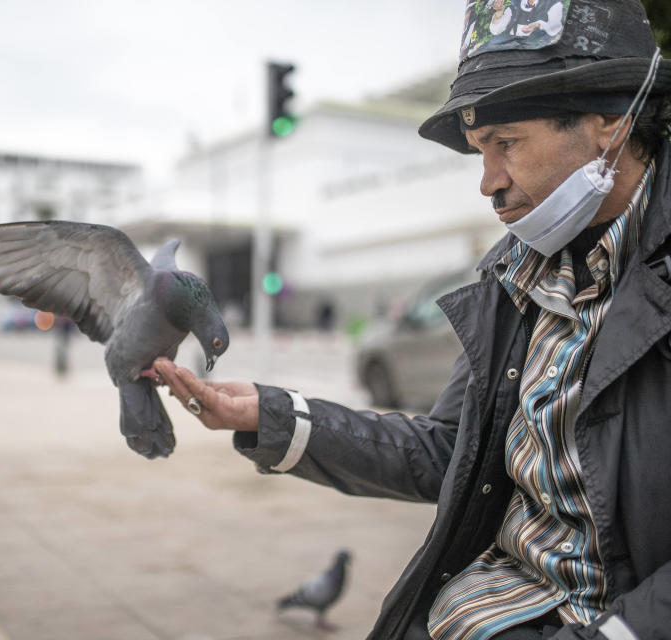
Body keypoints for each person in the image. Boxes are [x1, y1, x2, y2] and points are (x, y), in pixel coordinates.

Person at [154, 1, 671, 638]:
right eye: (480, 152)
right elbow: (448, 451)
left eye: (506, 145)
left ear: (610, 123)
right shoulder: (516, 279)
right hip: (476, 614)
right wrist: (269, 414)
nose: (488, 182)